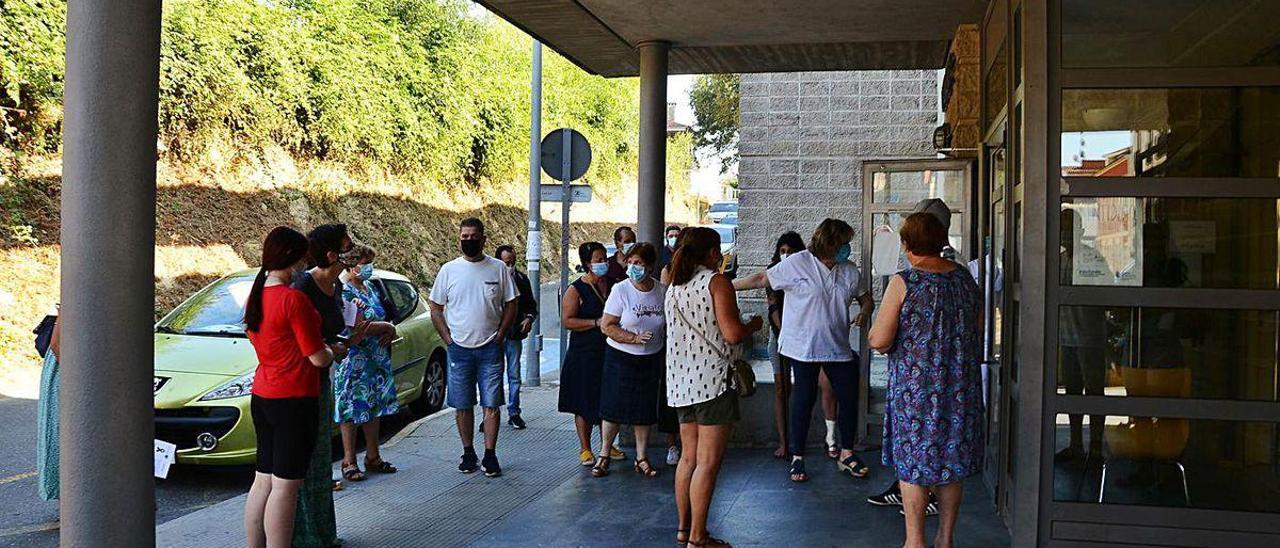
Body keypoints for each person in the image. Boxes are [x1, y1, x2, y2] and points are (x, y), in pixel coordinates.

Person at [869, 212, 984, 548]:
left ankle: (915, 541)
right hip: (959, 388)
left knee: (913, 462)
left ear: (906, 245)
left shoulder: (904, 281)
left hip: (915, 392)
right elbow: (976, 329)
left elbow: (879, 339)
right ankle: (945, 539)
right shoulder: (964, 279)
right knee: (951, 461)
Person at [736, 219, 874, 482]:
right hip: (803, 347)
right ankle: (797, 457)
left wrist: (865, 311)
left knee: (848, 395)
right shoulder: (799, 262)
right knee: (804, 398)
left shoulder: (849, 270)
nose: (847, 248)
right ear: (830, 243)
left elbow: (864, 296)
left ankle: (847, 453)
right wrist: (721, 284)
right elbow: (762, 278)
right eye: (843, 243)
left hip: (837, 346)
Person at [666, 227, 762, 548]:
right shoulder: (716, 282)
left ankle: (683, 529)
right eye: (718, 250)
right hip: (712, 382)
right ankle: (699, 537)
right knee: (707, 462)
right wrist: (753, 325)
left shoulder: (674, 286)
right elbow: (732, 334)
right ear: (710, 253)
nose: (721, 256)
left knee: (688, 460)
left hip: (681, 384)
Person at [243, 226, 336, 548]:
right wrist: (334, 350)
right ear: (296, 258)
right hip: (295, 399)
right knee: (286, 486)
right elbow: (317, 358)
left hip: (263, 394)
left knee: (263, 481)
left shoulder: (255, 297)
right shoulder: (293, 300)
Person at [291, 223, 364, 547]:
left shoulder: (336, 288)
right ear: (333, 254)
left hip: (322, 380)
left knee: (321, 462)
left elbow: (335, 332)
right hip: (299, 384)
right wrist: (329, 350)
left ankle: (323, 534)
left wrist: (354, 333)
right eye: (348, 246)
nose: (356, 251)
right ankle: (303, 537)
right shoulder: (301, 288)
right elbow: (297, 341)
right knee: (303, 465)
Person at [429, 218, 518, 478]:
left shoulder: (498, 268)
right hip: (458, 349)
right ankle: (468, 452)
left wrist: (501, 334)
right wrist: (447, 338)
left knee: (492, 404)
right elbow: (436, 307)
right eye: (464, 236)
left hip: (490, 348)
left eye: (473, 236)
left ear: (483, 238)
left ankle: (490, 455)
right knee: (462, 404)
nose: (468, 240)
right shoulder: (448, 270)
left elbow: (511, 303)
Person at [594, 242, 668, 478]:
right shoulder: (621, 290)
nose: (634, 267)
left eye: (639, 263)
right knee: (612, 407)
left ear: (650, 266)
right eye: (631, 262)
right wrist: (633, 338)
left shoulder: (661, 291)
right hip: (621, 357)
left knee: (643, 409)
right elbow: (607, 325)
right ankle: (604, 453)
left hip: (650, 358)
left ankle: (641, 457)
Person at [334, 245, 400, 482]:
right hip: (355, 360)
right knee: (351, 409)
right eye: (365, 262)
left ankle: (373, 456)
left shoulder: (369, 287)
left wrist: (388, 328)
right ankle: (348, 460)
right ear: (352, 265)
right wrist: (386, 327)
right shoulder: (344, 291)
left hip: (376, 359)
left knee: (374, 406)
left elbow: (381, 315)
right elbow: (356, 326)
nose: (369, 268)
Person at [558, 242, 626, 465]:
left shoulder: (615, 285)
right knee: (584, 400)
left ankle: (607, 445)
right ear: (587, 263)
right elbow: (567, 320)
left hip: (611, 350)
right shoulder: (576, 289)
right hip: (584, 353)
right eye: (598, 259)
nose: (603, 263)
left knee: (609, 399)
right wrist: (595, 323)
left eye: (604, 258)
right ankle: (585, 448)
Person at [1056, 210, 1106, 462]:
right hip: (1066, 337)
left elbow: (1106, 294)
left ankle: (1096, 446)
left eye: (1067, 227)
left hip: (1090, 337)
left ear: (1080, 231)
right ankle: (1076, 444)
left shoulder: (1093, 258)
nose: (1063, 234)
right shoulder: (1060, 260)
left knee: (1094, 392)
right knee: (1073, 392)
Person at [496, 244, 537, 429]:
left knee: (514, 375)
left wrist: (528, 318)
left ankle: (514, 412)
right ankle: (491, 413)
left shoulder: (521, 279)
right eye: (506, 263)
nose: (510, 267)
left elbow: (531, 306)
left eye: (513, 263)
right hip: (493, 336)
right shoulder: (490, 279)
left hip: (513, 335)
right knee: (492, 375)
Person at [35, 306, 61, 502]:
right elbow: (56, 343)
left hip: (61, 368)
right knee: (60, 431)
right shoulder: (77, 298)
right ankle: (67, 494)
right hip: (63, 370)